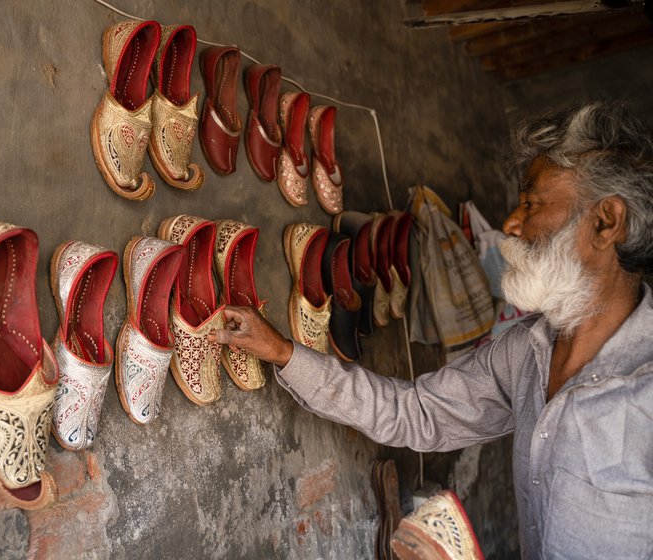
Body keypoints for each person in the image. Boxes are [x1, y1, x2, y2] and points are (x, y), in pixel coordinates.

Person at [208, 101, 653, 559]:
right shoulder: (525, 352)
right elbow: (415, 414)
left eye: (532, 202)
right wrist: (283, 352)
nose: (511, 223)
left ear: (605, 222)